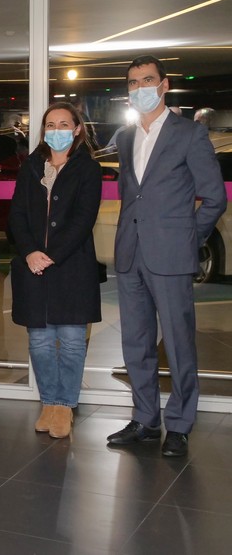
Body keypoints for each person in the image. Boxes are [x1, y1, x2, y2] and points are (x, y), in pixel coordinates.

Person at [107, 55, 226, 457]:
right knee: (135, 342)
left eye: (147, 80)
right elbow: (132, 196)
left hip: (171, 255)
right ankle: (145, 419)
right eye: (133, 82)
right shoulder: (126, 138)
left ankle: (179, 424)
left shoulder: (189, 134)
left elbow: (214, 197)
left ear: (164, 84)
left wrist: (188, 240)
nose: (140, 87)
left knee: (178, 342)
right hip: (131, 253)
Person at [9, 102, 102, 438]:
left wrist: (50, 255)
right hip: (32, 266)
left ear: (77, 129)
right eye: (51, 124)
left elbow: (83, 220)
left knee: (73, 340)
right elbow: (17, 214)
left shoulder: (88, 168)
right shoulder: (31, 166)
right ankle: (49, 401)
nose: (57, 130)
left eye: (64, 124)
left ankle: (64, 405)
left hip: (71, 265)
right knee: (40, 342)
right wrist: (30, 252)